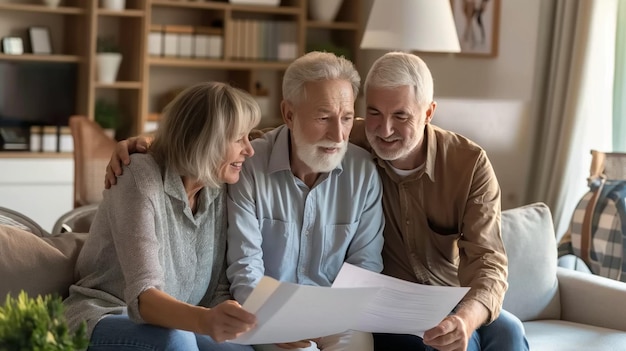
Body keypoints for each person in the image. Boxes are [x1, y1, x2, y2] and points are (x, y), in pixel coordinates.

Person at [104, 52, 385, 351]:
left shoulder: (218, 184)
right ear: (288, 115)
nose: (340, 134)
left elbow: (365, 267)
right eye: (323, 117)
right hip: (123, 312)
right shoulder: (153, 177)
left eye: (346, 118)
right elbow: (148, 293)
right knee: (181, 339)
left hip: (313, 316)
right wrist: (262, 320)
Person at [349, 52, 528, 351]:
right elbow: (284, 136)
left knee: (509, 331)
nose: (384, 129)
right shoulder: (347, 139)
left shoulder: (468, 164)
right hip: (386, 307)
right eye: (374, 112)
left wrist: (466, 320)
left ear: (429, 113)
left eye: (401, 116)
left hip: (448, 299)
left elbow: (488, 261)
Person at [64, 81, 260, 351]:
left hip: (181, 324)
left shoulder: (219, 188)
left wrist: (235, 321)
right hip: (104, 315)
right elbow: (143, 296)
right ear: (203, 139)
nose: (249, 150)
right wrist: (205, 321)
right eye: (239, 138)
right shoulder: (139, 177)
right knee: (175, 341)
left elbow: (217, 289)